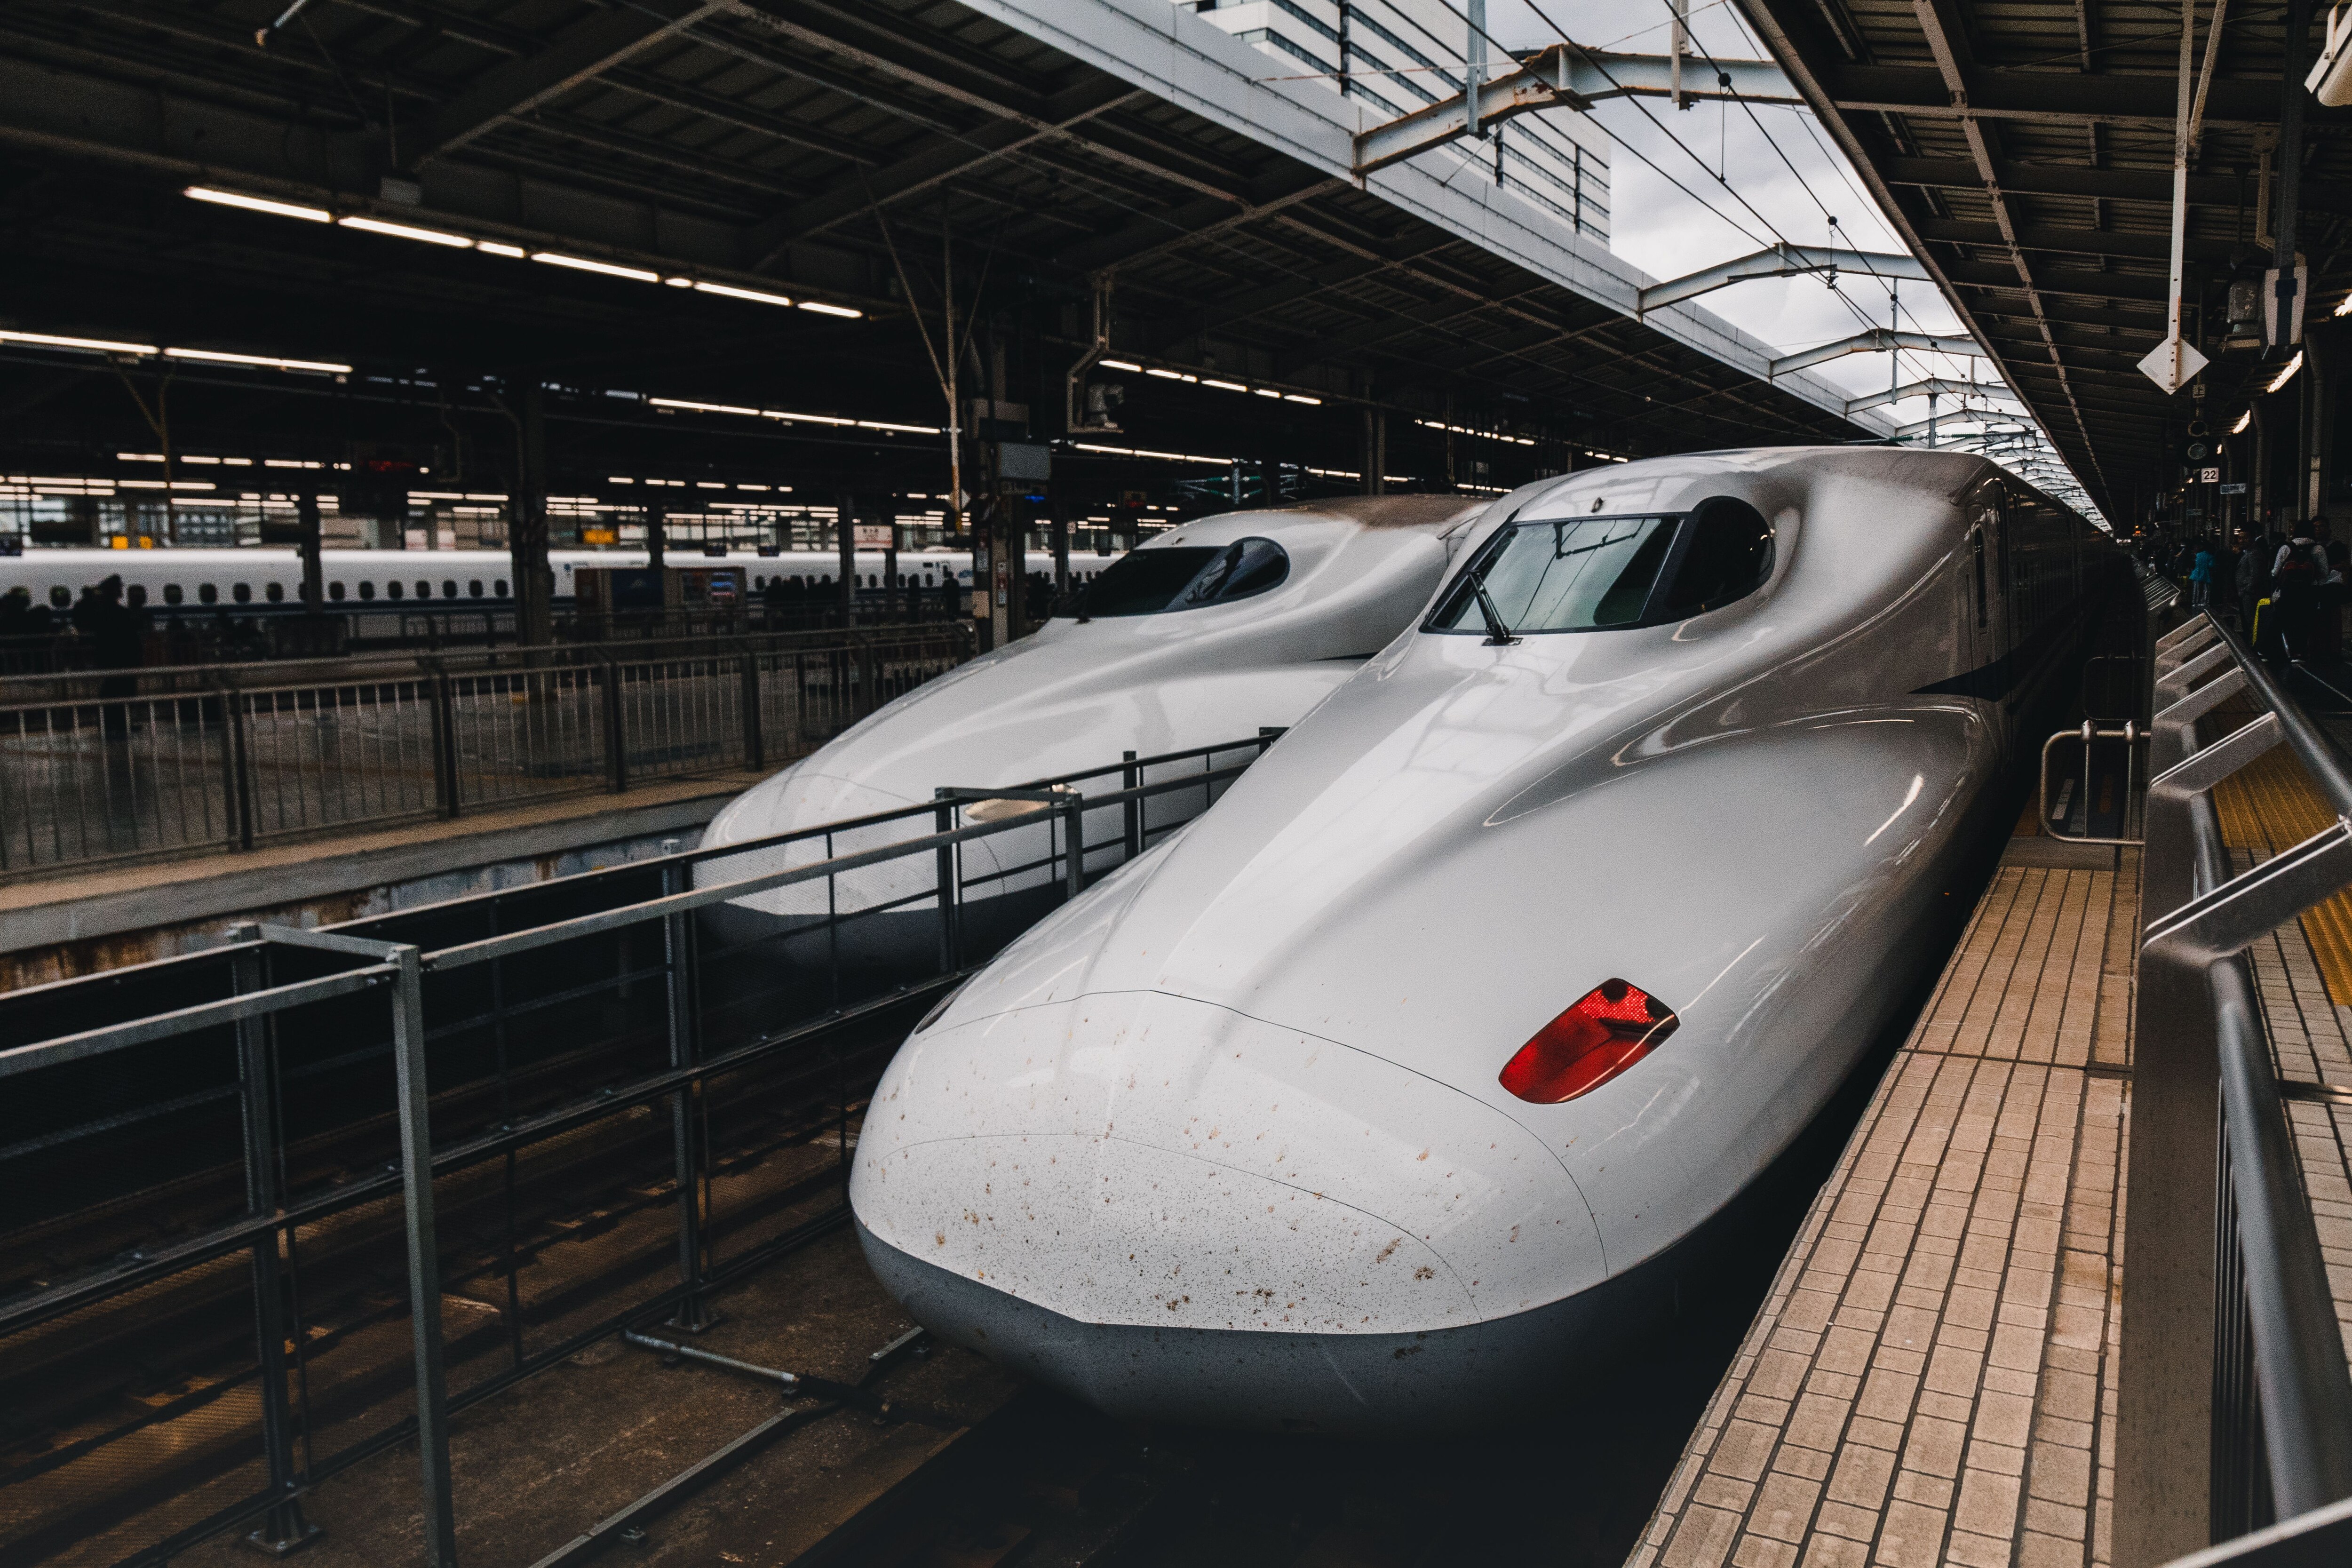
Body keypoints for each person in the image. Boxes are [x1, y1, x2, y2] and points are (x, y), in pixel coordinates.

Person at [2271, 528, 2328, 662]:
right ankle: (2301, 652)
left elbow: (2275, 571)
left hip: (2288, 592)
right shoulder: (2318, 549)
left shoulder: (2286, 548)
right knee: (2306, 622)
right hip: (2309, 592)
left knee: (2287, 621)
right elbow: (2324, 573)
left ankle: (2287, 651)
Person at [2189, 542, 2215, 608]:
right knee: (2206, 589)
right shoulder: (2210, 556)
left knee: (2197, 589)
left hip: (2196, 574)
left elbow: (2193, 564)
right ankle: (2205, 603)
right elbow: (2211, 565)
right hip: (2206, 575)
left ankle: (2195, 602)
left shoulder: (2197, 555)